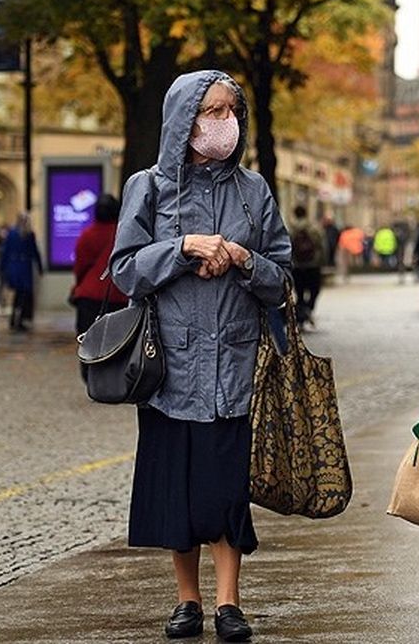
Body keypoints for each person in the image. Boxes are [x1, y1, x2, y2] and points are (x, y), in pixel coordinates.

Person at [110, 70, 292, 643]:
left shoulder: (254, 191)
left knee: (224, 490)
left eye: (230, 111)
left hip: (234, 368)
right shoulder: (149, 188)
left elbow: (282, 278)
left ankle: (229, 602)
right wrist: (182, 248)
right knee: (177, 493)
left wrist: (244, 259)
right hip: (169, 367)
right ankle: (186, 600)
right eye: (211, 112)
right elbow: (124, 270)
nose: (223, 123)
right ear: (184, 119)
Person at [71, 193, 125, 338]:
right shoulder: (123, 234)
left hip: (89, 297)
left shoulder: (87, 235)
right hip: (119, 295)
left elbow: (80, 267)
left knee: (89, 345)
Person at [0, 213, 44, 330]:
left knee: (19, 294)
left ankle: (15, 319)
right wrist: (40, 267)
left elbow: (5, 251)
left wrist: (3, 268)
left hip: (14, 266)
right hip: (24, 267)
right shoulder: (28, 234)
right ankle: (19, 320)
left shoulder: (12, 234)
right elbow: (34, 252)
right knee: (23, 294)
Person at [287, 205, 323, 327]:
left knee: (300, 292)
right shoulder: (313, 228)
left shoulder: (291, 229)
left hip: (297, 266)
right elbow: (321, 245)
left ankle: (301, 316)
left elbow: (287, 247)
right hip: (313, 265)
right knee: (314, 290)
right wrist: (322, 261)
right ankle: (308, 309)